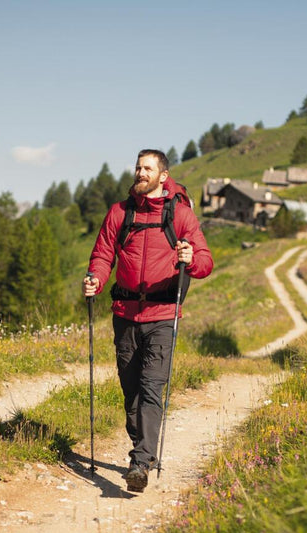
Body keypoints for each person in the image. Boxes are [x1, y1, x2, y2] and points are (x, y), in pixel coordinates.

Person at [83, 149, 213, 492]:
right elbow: (103, 253)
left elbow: (204, 261)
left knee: (151, 389)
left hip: (162, 315)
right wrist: (95, 278)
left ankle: (140, 462)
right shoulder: (119, 213)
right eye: (138, 167)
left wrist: (190, 258)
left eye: (147, 168)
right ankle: (144, 449)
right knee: (131, 394)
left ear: (163, 176)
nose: (140, 173)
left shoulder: (181, 216)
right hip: (125, 314)